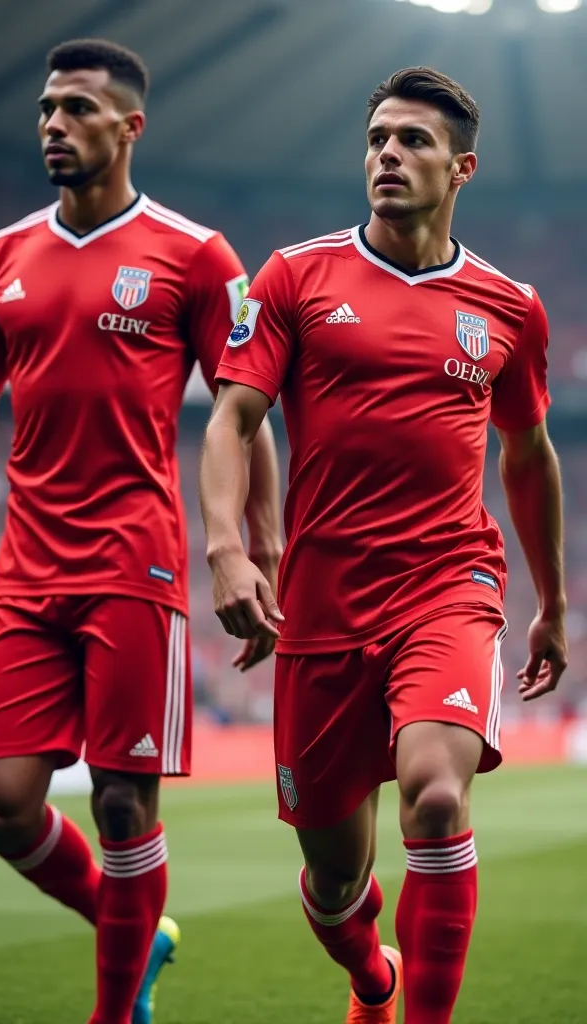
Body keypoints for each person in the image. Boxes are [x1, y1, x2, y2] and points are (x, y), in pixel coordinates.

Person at [0, 38, 281, 1024]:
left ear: (129, 127)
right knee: (1, 807)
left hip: (136, 563)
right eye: (45, 111)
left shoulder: (197, 256)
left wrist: (256, 543)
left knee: (120, 806)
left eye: (75, 110)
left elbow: (244, 408)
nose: (53, 128)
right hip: (27, 568)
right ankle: (139, 928)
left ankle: (114, 1013)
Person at [199, 66, 567, 1024]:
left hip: (449, 583)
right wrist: (228, 550)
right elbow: (233, 419)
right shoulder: (293, 276)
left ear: (462, 168)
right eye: (378, 140)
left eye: (412, 141)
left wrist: (555, 603)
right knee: (332, 886)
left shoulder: (509, 306)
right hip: (321, 607)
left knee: (437, 801)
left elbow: (528, 457)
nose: (389, 156)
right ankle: (373, 976)